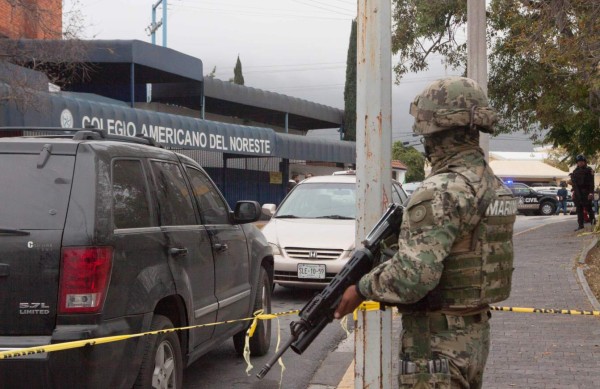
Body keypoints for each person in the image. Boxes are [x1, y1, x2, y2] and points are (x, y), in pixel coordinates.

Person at [333, 77, 516, 389]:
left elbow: (413, 277)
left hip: (435, 345)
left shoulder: (441, 189)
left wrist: (360, 288)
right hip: (473, 336)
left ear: (434, 132)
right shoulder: (492, 185)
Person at [570, 154, 595, 230]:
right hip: (577, 193)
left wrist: (591, 193)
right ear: (577, 163)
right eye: (578, 162)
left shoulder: (589, 170)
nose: (580, 163)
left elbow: (591, 183)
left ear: (585, 162)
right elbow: (574, 184)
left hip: (586, 192)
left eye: (581, 161)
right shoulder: (575, 171)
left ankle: (593, 224)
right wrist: (574, 192)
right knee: (579, 210)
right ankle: (580, 226)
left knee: (589, 209)